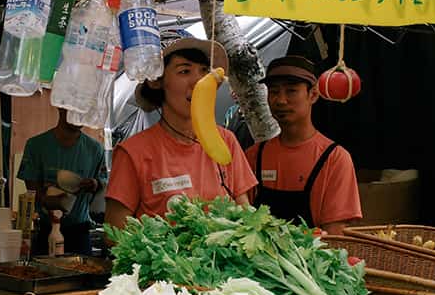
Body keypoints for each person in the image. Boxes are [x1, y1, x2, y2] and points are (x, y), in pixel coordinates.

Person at [106, 37, 257, 230]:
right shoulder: (133, 152)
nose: (198, 81)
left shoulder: (226, 141)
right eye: (184, 71)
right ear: (157, 82)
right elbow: (114, 234)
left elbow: (245, 215)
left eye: (204, 71)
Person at [245, 55, 362, 233]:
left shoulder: (334, 158)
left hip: (314, 258)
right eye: (274, 92)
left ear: (313, 95)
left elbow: (336, 236)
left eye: (291, 91)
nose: (281, 100)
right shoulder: (254, 156)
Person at [18, 108, 107, 255]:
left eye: (84, 110)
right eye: (75, 108)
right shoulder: (36, 146)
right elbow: (32, 191)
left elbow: (102, 187)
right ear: (61, 106)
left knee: (81, 277)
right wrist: (47, 200)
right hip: (45, 231)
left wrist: (94, 184)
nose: (80, 115)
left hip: (79, 233)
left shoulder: (95, 149)